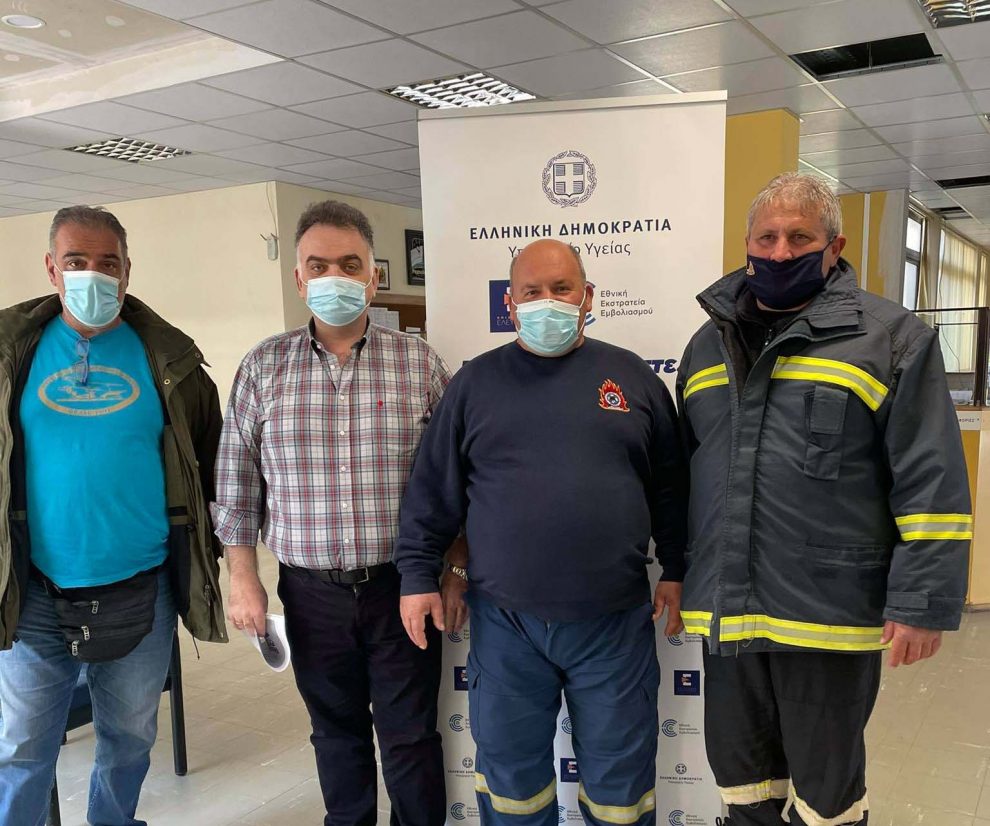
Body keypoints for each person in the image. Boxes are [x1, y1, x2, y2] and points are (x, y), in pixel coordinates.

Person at [676, 173, 971, 826]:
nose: (780, 251)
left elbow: (931, 480)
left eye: (800, 237)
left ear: (834, 247)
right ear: (747, 244)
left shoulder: (891, 339)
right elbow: (689, 475)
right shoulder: (705, 346)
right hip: (728, 615)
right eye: (767, 238)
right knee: (744, 789)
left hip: (827, 617)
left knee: (826, 800)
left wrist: (921, 601)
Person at [395, 238, 687, 826]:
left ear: (588, 297)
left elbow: (672, 488)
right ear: (510, 302)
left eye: (562, 288)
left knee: (621, 787)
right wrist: (418, 576)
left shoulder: (632, 378)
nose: (547, 301)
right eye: (531, 292)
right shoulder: (474, 384)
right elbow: (433, 490)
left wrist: (677, 568)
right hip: (507, 624)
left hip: (612, 624)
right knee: (512, 784)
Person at [213, 200, 454, 826]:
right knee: (336, 734)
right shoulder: (263, 368)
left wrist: (453, 570)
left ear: (374, 277)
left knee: (409, 736)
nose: (334, 278)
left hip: (403, 589)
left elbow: (455, 480)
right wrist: (243, 577)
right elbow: (236, 484)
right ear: (299, 279)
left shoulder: (420, 365)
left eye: (350, 265)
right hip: (310, 594)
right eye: (318, 266)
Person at [0, 206, 225, 826]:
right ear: (52, 268)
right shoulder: (10, 356)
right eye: (76, 261)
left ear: (128, 270)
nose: (93, 275)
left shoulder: (171, 363)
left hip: (141, 587)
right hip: (34, 590)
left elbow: (210, 466)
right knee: (22, 747)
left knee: (129, 738)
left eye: (108, 263)